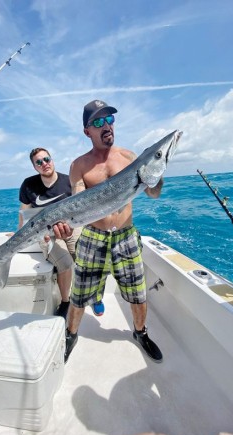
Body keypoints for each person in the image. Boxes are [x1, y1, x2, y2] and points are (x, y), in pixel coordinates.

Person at [53, 99, 164, 364]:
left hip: (126, 235)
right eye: (98, 122)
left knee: (138, 293)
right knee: (80, 294)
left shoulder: (128, 157)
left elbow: (153, 193)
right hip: (92, 236)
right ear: (87, 131)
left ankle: (140, 332)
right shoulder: (79, 165)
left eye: (110, 120)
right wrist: (64, 226)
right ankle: (72, 333)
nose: (107, 126)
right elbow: (77, 202)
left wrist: (158, 173)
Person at [19, 147, 81, 319]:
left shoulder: (69, 181)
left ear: (52, 159)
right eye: (38, 162)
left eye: (46, 159)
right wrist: (18, 233)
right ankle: (66, 301)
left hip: (72, 227)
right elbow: (24, 213)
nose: (44, 164)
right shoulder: (28, 185)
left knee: (84, 256)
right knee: (66, 263)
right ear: (34, 167)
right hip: (46, 233)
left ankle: (92, 295)